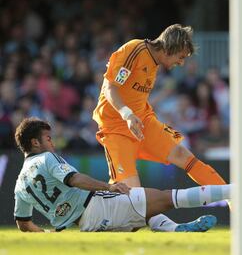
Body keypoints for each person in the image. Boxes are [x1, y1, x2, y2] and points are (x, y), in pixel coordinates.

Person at [91, 24, 228, 232]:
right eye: (180, 57)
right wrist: (127, 115)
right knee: (133, 197)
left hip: (143, 123)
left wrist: (134, 117)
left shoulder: (155, 63)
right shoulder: (134, 50)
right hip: (116, 128)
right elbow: (109, 88)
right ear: (169, 48)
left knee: (183, 155)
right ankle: (172, 228)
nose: (180, 63)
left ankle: (233, 199)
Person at [14, 117, 230, 232]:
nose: (52, 142)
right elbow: (75, 180)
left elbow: (23, 223)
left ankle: (175, 229)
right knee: (167, 198)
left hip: (88, 226)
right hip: (99, 206)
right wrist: (109, 186)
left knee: (144, 211)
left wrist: (45, 235)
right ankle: (238, 190)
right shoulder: (47, 159)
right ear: (35, 142)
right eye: (48, 138)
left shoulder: (20, 184)